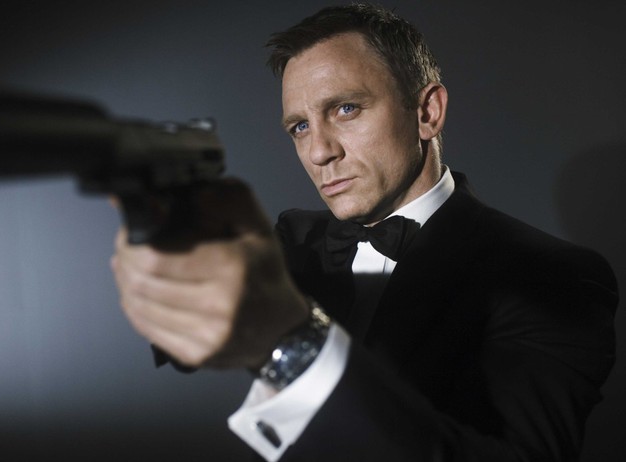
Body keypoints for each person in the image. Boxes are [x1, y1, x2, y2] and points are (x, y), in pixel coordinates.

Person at [110, 3, 617, 461]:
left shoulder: (553, 276)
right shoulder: (296, 240)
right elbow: (189, 336)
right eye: (300, 127)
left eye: (345, 109)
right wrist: (169, 237)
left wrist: (291, 340)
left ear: (427, 112)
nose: (318, 152)